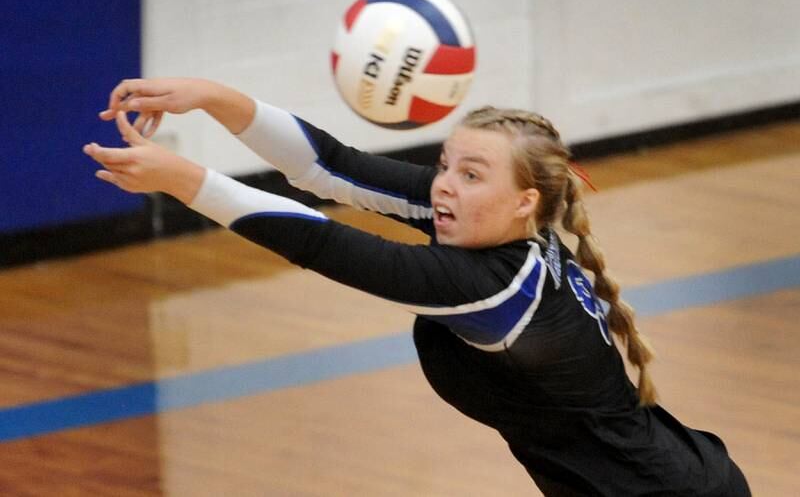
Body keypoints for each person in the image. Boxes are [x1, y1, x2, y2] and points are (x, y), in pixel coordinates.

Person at [85, 78, 750, 496]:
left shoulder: (498, 291)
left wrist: (180, 177)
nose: (443, 186)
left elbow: (321, 241)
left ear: (524, 200)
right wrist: (211, 96)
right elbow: (330, 168)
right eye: (445, 164)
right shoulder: (500, 231)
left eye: (471, 174)